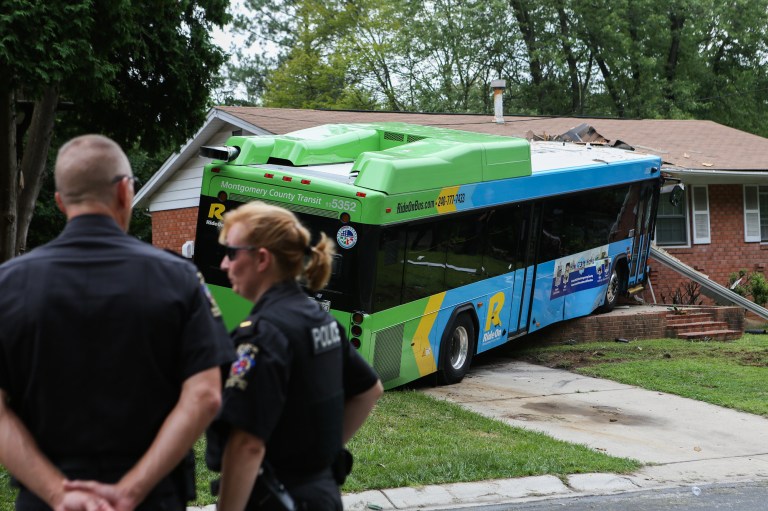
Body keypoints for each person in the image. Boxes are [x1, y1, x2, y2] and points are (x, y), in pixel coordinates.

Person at [0, 134, 234, 511]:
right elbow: (205, 395)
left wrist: (58, 492)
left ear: (60, 202)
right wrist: (130, 490)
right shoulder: (179, 279)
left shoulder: (8, 284)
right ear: (125, 192)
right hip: (152, 499)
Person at [206, 201, 383, 511]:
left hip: (276, 500)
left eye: (232, 253)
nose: (224, 264)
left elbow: (246, 444)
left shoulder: (264, 333)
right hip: (320, 494)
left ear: (261, 259)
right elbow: (369, 390)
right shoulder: (316, 318)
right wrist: (318, 458)